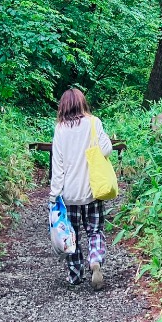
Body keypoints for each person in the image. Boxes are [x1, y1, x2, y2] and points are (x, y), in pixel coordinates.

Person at [49, 86, 113, 289]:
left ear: (63, 106)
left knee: (72, 235)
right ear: (82, 103)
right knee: (95, 231)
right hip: (93, 191)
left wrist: (54, 195)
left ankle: (75, 275)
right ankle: (95, 259)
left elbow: (57, 165)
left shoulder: (59, 129)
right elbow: (107, 148)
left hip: (69, 195)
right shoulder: (94, 123)